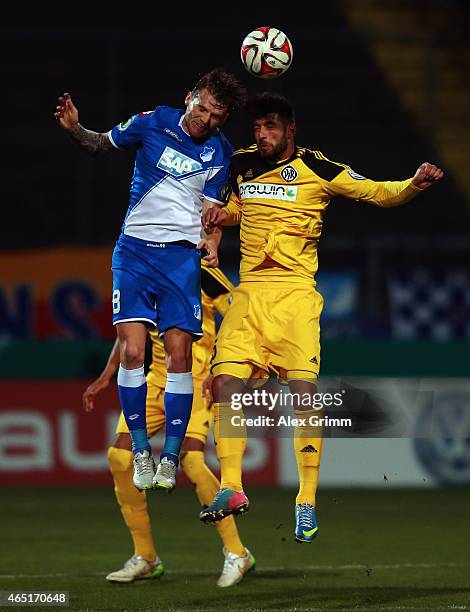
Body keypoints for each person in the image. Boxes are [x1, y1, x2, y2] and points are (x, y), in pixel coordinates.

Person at [200, 92, 444, 542]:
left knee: (304, 396)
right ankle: (232, 486)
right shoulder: (241, 163)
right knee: (224, 385)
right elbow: (238, 209)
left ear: (291, 130)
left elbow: (375, 192)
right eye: (256, 127)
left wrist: (412, 185)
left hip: (294, 298)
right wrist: (221, 213)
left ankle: (306, 500)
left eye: (270, 127)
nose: (261, 134)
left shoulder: (318, 169)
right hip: (250, 294)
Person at [55, 69, 246, 492]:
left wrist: (212, 242)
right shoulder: (153, 121)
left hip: (180, 259)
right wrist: (74, 129)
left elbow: (212, 215)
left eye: (218, 116)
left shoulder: (220, 153)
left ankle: (170, 457)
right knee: (133, 352)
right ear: (190, 97)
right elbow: (101, 144)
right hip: (135, 252)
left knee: (179, 357)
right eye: (204, 109)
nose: (208, 120)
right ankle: (142, 452)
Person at [83, 264, 255, 587]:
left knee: (191, 461)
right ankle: (146, 557)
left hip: (196, 380)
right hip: (154, 383)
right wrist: (107, 376)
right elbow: (128, 331)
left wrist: (222, 366)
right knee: (119, 457)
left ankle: (237, 553)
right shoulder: (142, 268)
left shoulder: (200, 270)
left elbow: (238, 314)